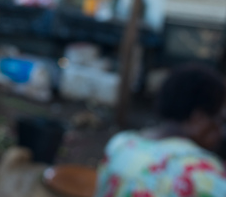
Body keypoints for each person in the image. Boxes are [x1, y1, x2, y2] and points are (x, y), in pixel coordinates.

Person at [95, 64, 226, 197]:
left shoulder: (120, 144)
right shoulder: (203, 172)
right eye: (220, 121)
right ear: (198, 119)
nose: (221, 131)